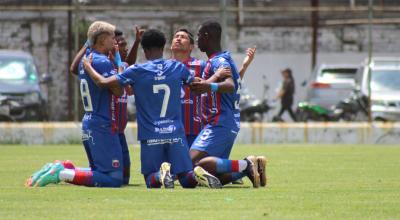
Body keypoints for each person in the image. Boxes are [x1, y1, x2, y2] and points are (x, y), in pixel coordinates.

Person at [82, 29, 222, 189]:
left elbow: (103, 83)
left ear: (145, 50)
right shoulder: (177, 67)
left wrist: (88, 67)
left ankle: (160, 174)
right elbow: (196, 84)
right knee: (185, 178)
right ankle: (195, 174)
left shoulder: (137, 71)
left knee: (150, 179)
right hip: (175, 133)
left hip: (151, 135)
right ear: (163, 48)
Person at [26, 21, 128, 188]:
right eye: (111, 38)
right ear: (102, 40)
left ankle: (63, 168)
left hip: (90, 121)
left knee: (98, 170)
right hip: (102, 124)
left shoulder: (85, 61)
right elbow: (118, 90)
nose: (114, 41)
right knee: (114, 178)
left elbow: (76, 69)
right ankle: (61, 173)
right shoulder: (101, 61)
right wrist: (119, 64)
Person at [189, 20, 267, 188]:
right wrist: (244, 67)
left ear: (207, 36)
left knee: (190, 165)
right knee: (210, 175)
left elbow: (230, 85)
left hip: (219, 123)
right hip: (227, 123)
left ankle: (246, 164)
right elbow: (235, 83)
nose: (197, 40)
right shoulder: (223, 59)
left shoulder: (218, 61)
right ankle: (246, 169)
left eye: (198, 36)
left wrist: (208, 85)